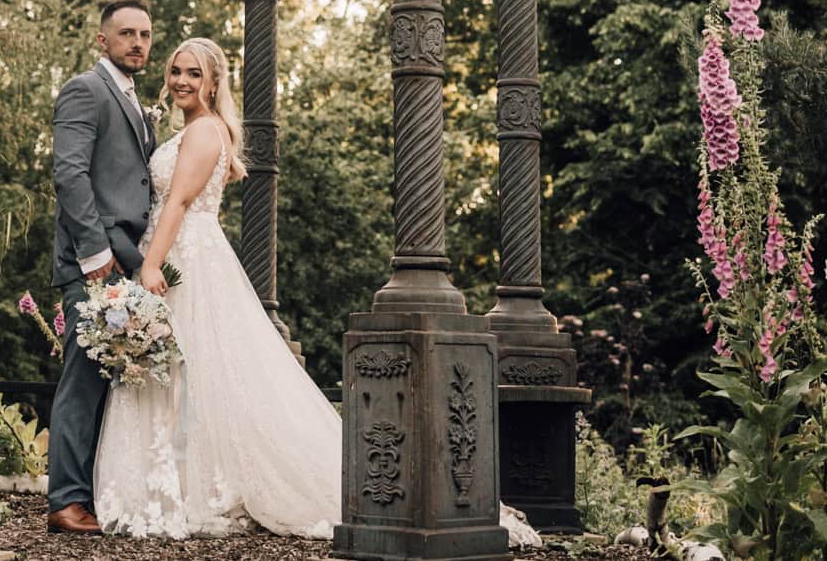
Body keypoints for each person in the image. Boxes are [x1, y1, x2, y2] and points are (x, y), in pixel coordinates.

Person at [93, 37, 542, 548]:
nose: (181, 81)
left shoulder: (204, 133)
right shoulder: (193, 129)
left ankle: (197, 485)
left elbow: (176, 201)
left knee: (191, 368)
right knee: (182, 371)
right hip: (175, 251)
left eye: (193, 73)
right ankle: (181, 477)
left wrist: (150, 264)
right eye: (176, 71)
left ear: (214, 82)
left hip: (182, 258)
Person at [45, 0, 156, 535]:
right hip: (93, 261)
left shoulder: (134, 98)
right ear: (102, 41)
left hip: (125, 260)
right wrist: (96, 257)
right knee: (83, 381)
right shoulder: (86, 89)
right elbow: (69, 175)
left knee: (111, 381)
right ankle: (66, 502)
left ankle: (89, 494)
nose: (138, 42)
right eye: (127, 33)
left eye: (145, 34)